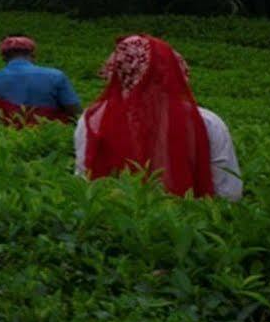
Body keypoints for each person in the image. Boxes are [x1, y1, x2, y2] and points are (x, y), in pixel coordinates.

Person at [75, 34, 243, 200]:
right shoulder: (207, 122)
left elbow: (84, 181)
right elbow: (229, 192)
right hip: (184, 222)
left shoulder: (93, 119)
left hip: (113, 221)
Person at [0, 34, 81, 125]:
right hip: (51, 135)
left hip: (10, 139)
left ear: (3, 57)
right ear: (33, 55)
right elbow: (75, 112)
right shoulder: (56, 75)